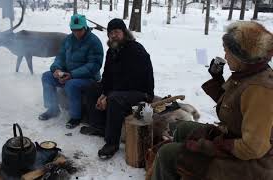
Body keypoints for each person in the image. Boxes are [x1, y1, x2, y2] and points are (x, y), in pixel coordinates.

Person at [151, 21, 273, 180]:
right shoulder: (248, 75)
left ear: (241, 56)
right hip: (234, 139)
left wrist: (213, 146)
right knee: (183, 128)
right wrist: (217, 80)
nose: (225, 56)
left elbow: (252, 148)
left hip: (252, 165)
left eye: (228, 52)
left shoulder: (260, 89)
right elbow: (234, 108)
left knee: (167, 154)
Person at [80, 18, 155, 159]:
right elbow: (107, 76)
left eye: (116, 32)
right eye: (110, 33)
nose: (113, 35)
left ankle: (112, 143)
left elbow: (132, 81)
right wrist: (103, 93)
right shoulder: (112, 51)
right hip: (121, 89)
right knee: (92, 88)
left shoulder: (135, 50)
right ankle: (99, 126)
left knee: (114, 99)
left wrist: (108, 95)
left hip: (141, 92)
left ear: (124, 33)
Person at [39, 14, 104, 129]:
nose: (76, 32)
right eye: (73, 30)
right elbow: (60, 57)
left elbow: (94, 65)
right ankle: (53, 108)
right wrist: (56, 69)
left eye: (79, 30)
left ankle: (75, 117)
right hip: (68, 75)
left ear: (85, 27)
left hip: (89, 79)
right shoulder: (68, 40)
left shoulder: (94, 42)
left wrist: (72, 75)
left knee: (71, 84)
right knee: (47, 77)